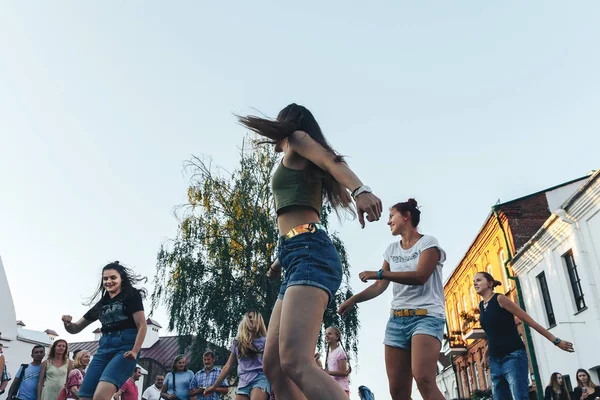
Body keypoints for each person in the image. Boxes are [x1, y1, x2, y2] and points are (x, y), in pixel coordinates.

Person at [239, 104, 382, 400]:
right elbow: (294, 217)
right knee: (274, 365)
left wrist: (360, 190)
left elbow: (332, 161)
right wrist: (280, 258)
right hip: (295, 255)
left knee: (294, 359)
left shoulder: (297, 138)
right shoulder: (297, 153)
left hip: (310, 253)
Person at [339, 199, 446, 400]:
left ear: (406, 216)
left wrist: (380, 274)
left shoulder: (428, 243)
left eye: (391, 216)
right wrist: (354, 299)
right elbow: (380, 286)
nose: (388, 222)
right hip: (397, 322)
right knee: (397, 391)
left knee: (423, 379)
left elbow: (420, 276)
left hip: (426, 318)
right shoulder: (391, 250)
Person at [473, 271, 574, 400]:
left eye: (479, 280)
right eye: (474, 281)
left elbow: (529, 321)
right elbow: (492, 334)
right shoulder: (482, 306)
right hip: (495, 361)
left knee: (519, 397)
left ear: (490, 283)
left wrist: (555, 340)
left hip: (513, 357)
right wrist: (485, 355)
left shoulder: (500, 299)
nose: (475, 283)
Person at [62, 261, 148, 400]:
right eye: (105, 278)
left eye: (113, 277)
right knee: (84, 397)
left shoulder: (131, 295)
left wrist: (135, 350)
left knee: (100, 396)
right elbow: (76, 328)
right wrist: (67, 324)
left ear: (122, 278)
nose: (109, 281)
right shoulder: (103, 303)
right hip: (104, 348)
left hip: (125, 349)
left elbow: (142, 325)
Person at [205, 311, 269, 399]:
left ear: (259, 321)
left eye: (254, 317)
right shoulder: (238, 343)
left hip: (260, 377)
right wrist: (214, 387)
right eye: (249, 317)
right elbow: (227, 367)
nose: (251, 319)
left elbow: (273, 363)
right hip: (244, 380)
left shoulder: (265, 341)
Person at [323, 327, 351, 396]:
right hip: (333, 389)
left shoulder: (340, 352)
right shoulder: (329, 354)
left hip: (341, 390)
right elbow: (326, 371)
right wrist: (316, 361)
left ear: (337, 337)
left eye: (329, 334)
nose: (326, 335)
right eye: (326, 334)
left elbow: (343, 372)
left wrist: (328, 372)